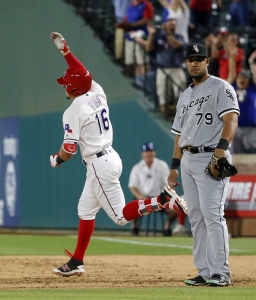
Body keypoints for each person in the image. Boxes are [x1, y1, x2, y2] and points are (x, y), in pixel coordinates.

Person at [49, 32, 188, 277]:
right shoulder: (96, 91)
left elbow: (69, 150)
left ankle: (162, 200)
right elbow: (84, 74)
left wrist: (57, 159)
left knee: (120, 217)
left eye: (66, 82)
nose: (64, 85)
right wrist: (65, 51)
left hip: (98, 164)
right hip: (109, 156)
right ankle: (77, 261)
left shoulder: (72, 111)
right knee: (85, 210)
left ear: (72, 86)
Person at [168, 43, 240, 286]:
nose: (195, 63)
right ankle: (205, 270)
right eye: (191, 59)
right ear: (186, 63)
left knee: (212, 215)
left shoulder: (221, 87)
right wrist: (174, 166)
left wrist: (221, 151)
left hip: (211, 156)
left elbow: (231, 120)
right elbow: (179, 135)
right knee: (196, 217)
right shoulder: (185, 96)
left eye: (199, 58)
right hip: (187, 159)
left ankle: (221, 272)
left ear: (208, 61)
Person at [128, 142, 178, 236]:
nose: (149, 154)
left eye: (151, 151)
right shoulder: (137, 167)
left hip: (159, 198)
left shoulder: (161, 165)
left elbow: (168, 183)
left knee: (174, 210)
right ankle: (134, 227)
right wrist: (140, 196)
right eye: (147, 151)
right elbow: (132, 186)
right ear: (142, 153)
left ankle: (167, 228)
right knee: (133, 208)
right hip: (144, 198)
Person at [145, 17, 187, 116]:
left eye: (173, 25)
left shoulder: (180, 36)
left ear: (176, 27)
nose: (171, 27)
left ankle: (183, 115)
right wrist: (151, 34)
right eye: (169, 25)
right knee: (162, 92)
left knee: (181, 90)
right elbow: (148, 48)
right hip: (162, 69)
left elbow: (176, 45)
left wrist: (168, 33)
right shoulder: (159, 37)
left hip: (176, 68)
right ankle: (165, 113)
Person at [115, 0, 154, 79]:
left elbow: (148, 19)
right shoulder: (131, 5)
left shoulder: (145, 4)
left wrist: (132, 25)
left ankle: (143, 80)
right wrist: (125, 25)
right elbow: (127, 18)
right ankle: (137, 80)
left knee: (141, 62)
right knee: (133, 62)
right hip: (130, 36)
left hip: (141, 36)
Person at [227, 50, 256, 153]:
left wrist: (251, 62)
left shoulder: (252, 88)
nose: (242, 79)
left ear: (249, 80)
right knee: (233, 157)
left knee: (251, 154)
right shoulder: (231, 87)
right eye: (240, 77)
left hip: (251, 127)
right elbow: (231, 73)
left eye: (245, 77)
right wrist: (232, 58)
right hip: (233, 127)